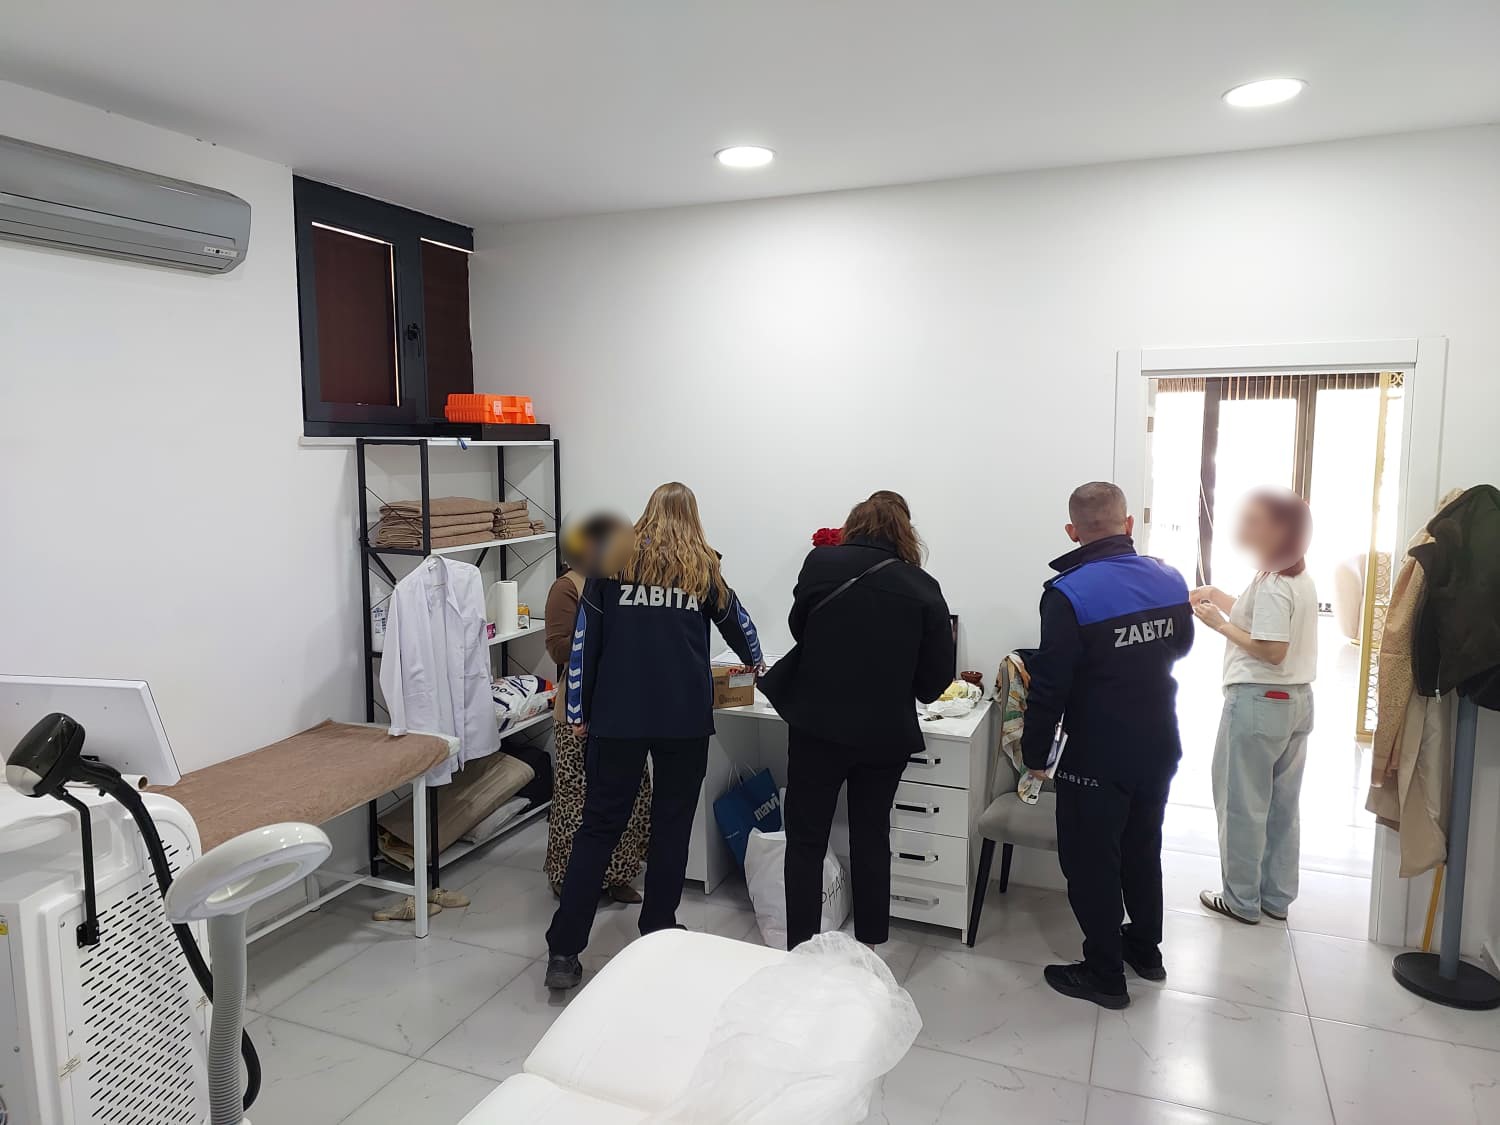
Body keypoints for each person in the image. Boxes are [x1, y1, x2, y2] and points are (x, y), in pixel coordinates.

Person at [544, 482, 763, 990]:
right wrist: (754, 662)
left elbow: (584, 642)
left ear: (646, 513)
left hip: (617, 717)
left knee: (598, 827)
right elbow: (741, 625)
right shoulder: (702, 568)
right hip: (683, 719)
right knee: (672, 825)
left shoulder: (611, 564)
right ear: (693, 518)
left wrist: (578, 709)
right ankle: (659, 928)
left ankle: (564, 951)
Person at [1023, 482, 1193, 1009]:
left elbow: (1051, 685)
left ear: (1072, 532)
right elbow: (1182, 646)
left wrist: (1035, 754)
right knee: (1142, 846)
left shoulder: (1068, 593)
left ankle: (1104, 975)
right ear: (1128, 524)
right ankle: (1145, 950)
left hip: (1097, 750)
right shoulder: (1169, 578)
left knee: (1092, 859)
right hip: (1160, 741)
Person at [759, 490, 954, 949]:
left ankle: (802, 949)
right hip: (884, 734)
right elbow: (934, 682)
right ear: (905, 532)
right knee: (871, 837)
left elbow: (800, 627)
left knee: (806, 840)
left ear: (854, 525)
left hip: (817, 727)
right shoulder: (923, 587)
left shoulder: (820, 564)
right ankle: (869, 946)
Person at [1189, 487, 1316, 925]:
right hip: (1296, 702)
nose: (1246, 527)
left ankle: (1240, 900)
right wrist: (1218, 595)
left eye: (1256, 521)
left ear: (1283, 531)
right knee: (1282, 806)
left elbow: (1272, 649)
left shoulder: (1275, 584)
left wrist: (1219, 625)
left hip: (1260, 700)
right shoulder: (1293, 577)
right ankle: (1275, 898)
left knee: (1242, 802)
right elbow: (1258, 616)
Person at [543, 515, 649, 904]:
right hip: (578, 708)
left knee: (631, 794)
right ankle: (566, 875)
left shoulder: (624, 582)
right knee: (576, 796)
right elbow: (556, 648)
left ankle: (618, 873)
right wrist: (600, 637)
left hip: (621, 707)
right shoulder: (567, 587)